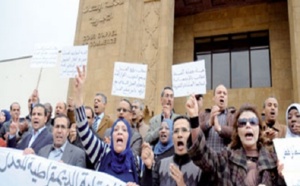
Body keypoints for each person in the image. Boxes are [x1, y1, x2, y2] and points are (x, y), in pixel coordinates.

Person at [186, 95, 286, 185]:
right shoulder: (225, 158)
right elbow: (202, 155)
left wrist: (283, 178)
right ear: (237, 131)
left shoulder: (274, 161)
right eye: (242, 123)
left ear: (259, 129)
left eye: (253, 122)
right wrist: (194, 118)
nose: (248, 125)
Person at [74, 65, 142, 185]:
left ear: (129, 137)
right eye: (116, 129)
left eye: (124, 130)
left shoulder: (137, 162)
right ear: (112, 136)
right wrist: (79, 95)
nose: (120, 132)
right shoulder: (101, 152)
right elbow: (83, 130)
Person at [141, 116, 202, 186]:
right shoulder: (161, 165)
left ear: (191, 135)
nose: (179, 135)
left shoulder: (199, 168)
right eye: (176, 131)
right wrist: (148, 169)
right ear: (172, 137)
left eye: (184, 130)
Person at [200, 84, 234, 152]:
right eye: (219, 93)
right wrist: (209, 123)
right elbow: (196, 132)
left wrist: (220, 129)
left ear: (227, 98)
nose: (222, 95)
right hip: (206, 159)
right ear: (214, 98)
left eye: (225, 93)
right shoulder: (203, 114)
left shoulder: (233, 116)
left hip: (225, 159)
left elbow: (235, 132)